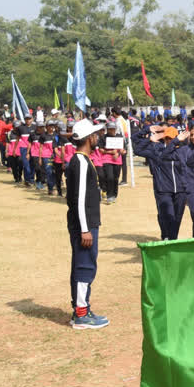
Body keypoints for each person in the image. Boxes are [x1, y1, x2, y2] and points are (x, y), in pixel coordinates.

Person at [66, 119, 110, 329]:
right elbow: (80, 199)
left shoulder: (82, 160)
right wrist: (85, 229)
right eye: (95, 134)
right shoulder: (81, 162)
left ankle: (79, 310)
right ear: (89, 138)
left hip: (85, 222)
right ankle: (82, 314)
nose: (98, 137)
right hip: (84, 224)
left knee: (81, 264)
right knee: (85, 265)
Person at [161, 125, 194, 237]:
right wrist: (176, 141)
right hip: (193, 192)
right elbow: (164, 155)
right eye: (191, 135)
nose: (193, 137)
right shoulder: (184, 150)